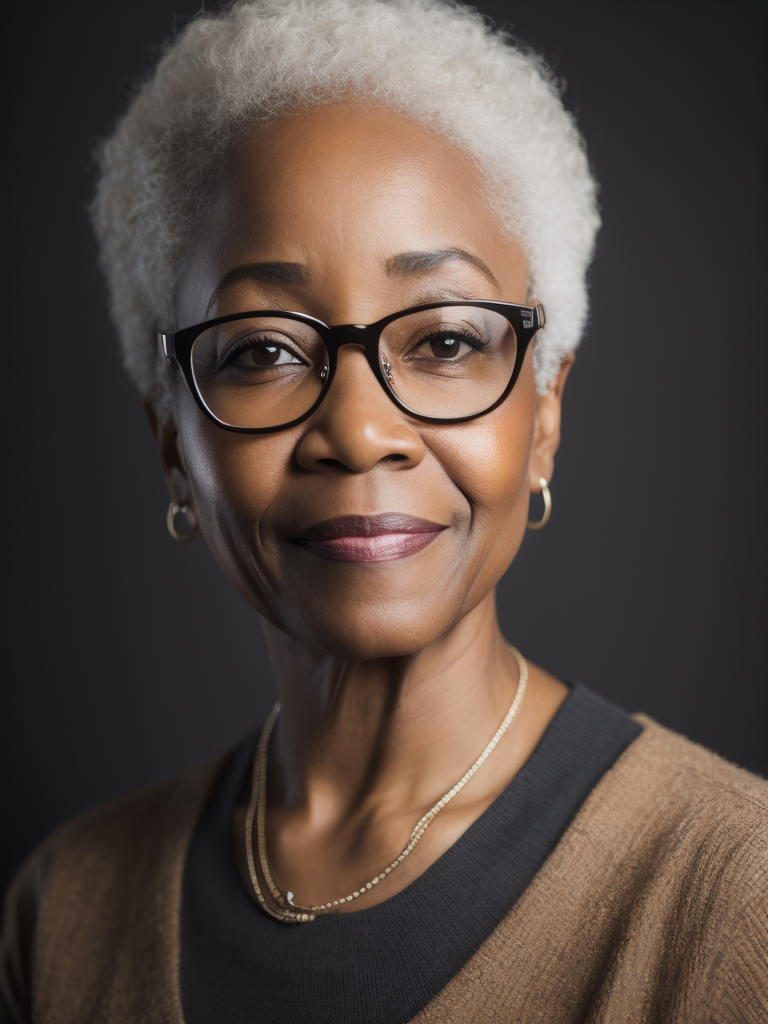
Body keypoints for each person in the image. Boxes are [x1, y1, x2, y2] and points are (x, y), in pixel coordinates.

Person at [2, 1, 765, 1021]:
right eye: (262, 351)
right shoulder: (63, 913)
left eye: (446, 341)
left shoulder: (733, 895)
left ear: (542, 415)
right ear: (172, 448)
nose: (359, 433)